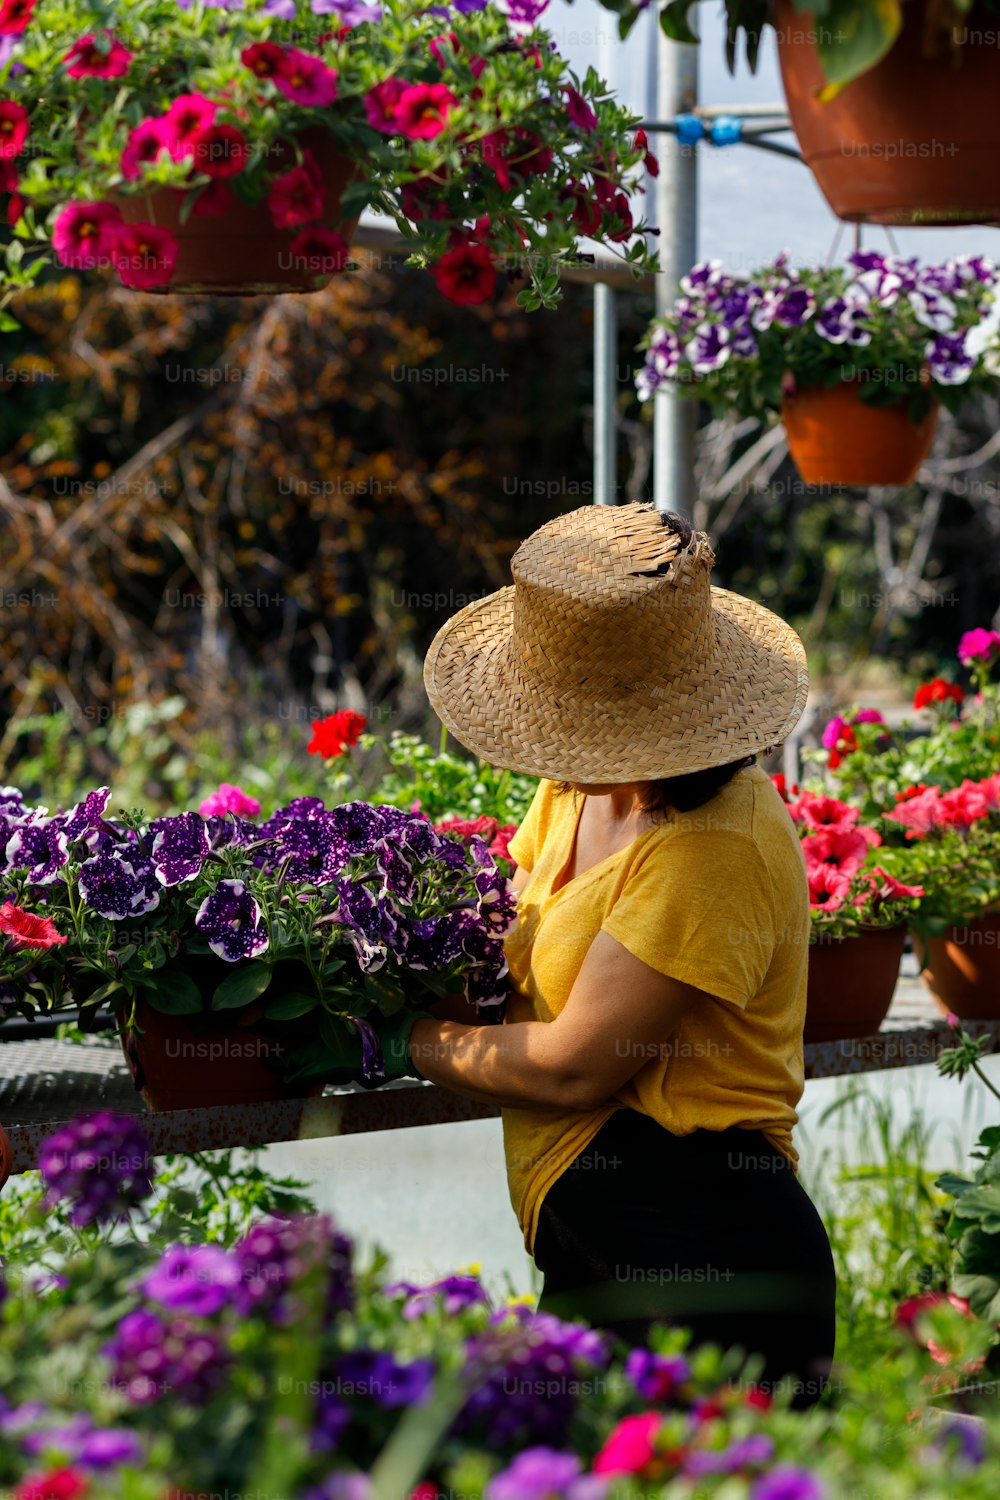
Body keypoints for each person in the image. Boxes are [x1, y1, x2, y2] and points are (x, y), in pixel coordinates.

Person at [371, 501, 835, 1406]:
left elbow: (575, 1066)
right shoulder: (579, 788)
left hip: (706, 1251)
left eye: (579, 718)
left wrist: (399, 1042)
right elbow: (509, 943)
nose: (555, 742)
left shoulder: (715, 842)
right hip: (598, 1247)